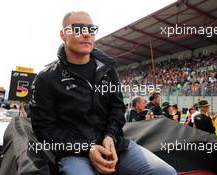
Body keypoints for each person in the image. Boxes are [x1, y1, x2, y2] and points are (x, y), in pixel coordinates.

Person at [29, 11, 177, 175]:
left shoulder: (108, 70)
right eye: (77, 29)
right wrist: (88, 148)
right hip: (74, 153)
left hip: (114, 146)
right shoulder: (47, 78)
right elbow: (45, 129)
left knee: (166, 172)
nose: (86, 34)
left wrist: (110, 137)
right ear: (63, 34)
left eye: (91, 29)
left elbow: (117, 108)